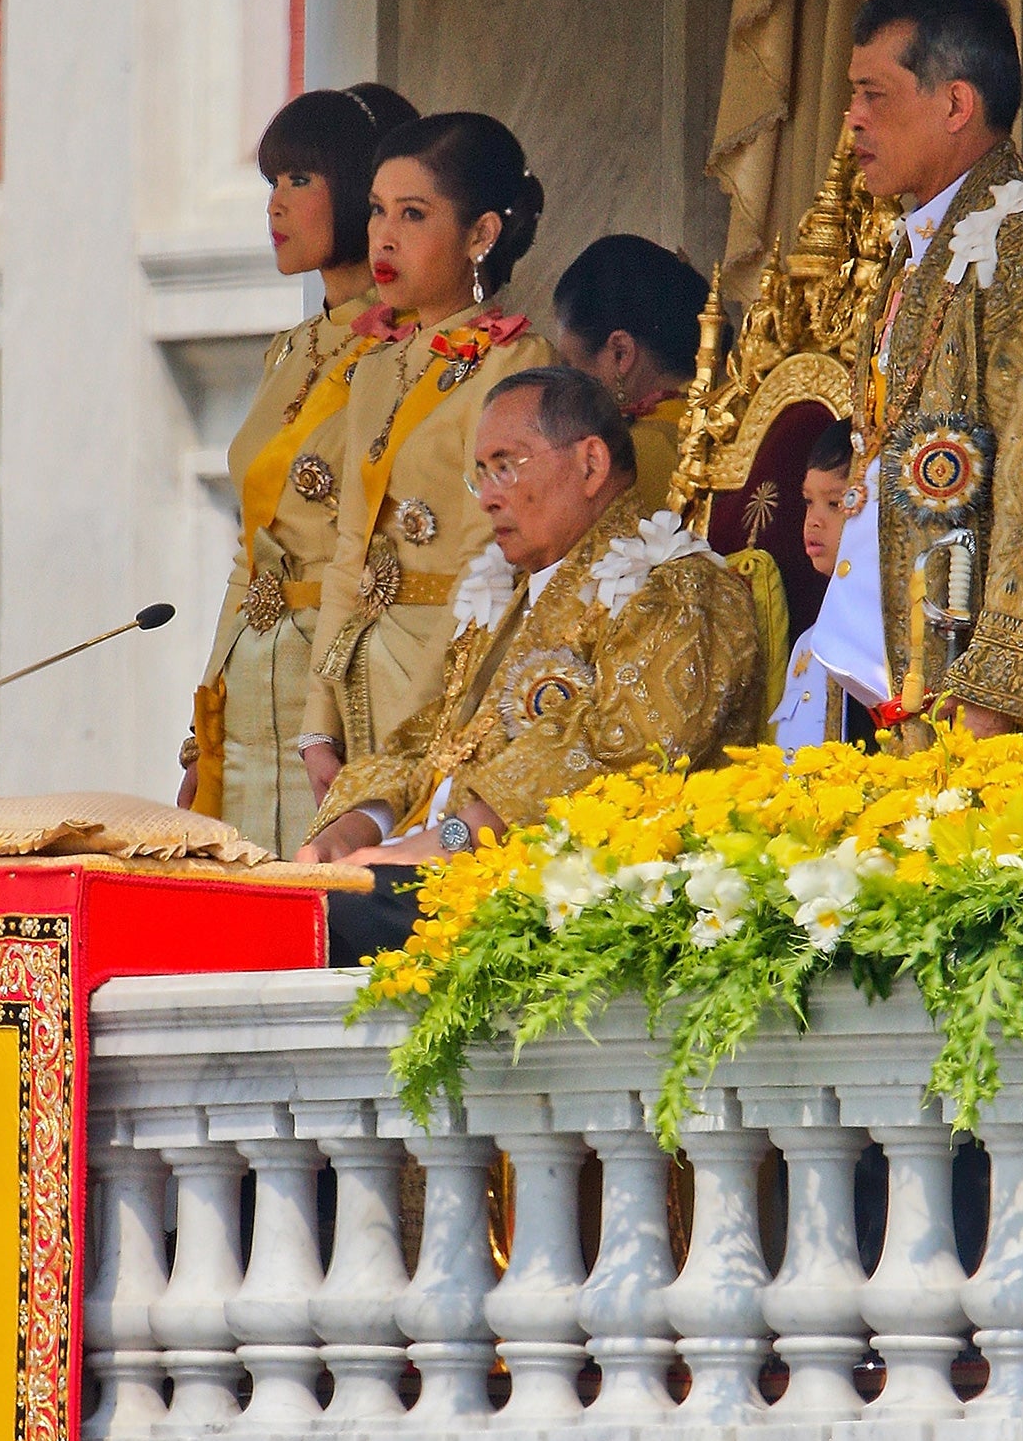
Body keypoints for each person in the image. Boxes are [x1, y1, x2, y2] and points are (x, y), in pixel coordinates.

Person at [298, 366, 764, 962]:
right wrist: (355, 829)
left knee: (325, 921)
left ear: (591, 465)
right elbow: (427, 741)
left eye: (506, 467)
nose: (489, 496)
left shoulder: (674, 588)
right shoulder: (505, 596)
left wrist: (452, 838)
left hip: (557, 893)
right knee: (280, 901)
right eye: (481, 476)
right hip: (425, 873)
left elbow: (630, 750)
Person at [842, 0, 1023, 742]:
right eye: (850, 96)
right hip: (904, 687)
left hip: (988, 726)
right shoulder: (920, 243)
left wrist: (994, 702)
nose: (852, 120)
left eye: (873, 95)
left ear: (956, 103)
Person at [175, 82, 418, 856]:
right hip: (250, 679)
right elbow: (251, 554)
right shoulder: (290, 348)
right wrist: (198, 737)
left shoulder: (422, 349)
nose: (275, 206)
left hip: (345, 682)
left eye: (299, 181)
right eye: (271, 184)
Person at [298, 113, 556, 810]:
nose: (383, 236)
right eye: (378, 211)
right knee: (338, 882)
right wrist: (319, 721)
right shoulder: (376, 364)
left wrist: (412, 730)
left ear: (481, 235)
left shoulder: (516, 364)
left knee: (428, 863)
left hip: (452, 681)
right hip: (358, 677)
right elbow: (347, 543)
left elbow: (492, 561)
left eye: (413, 215)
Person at [551, 234, 711, 509]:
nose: (567, 390)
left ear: (621, 353)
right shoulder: (724, 411)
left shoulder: (634, 453)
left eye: (570, 367)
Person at [772, 421, 882, 753]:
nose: (813, 521)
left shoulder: (884, 648)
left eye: (835, 503)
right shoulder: (809, 645)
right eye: (808, 501)